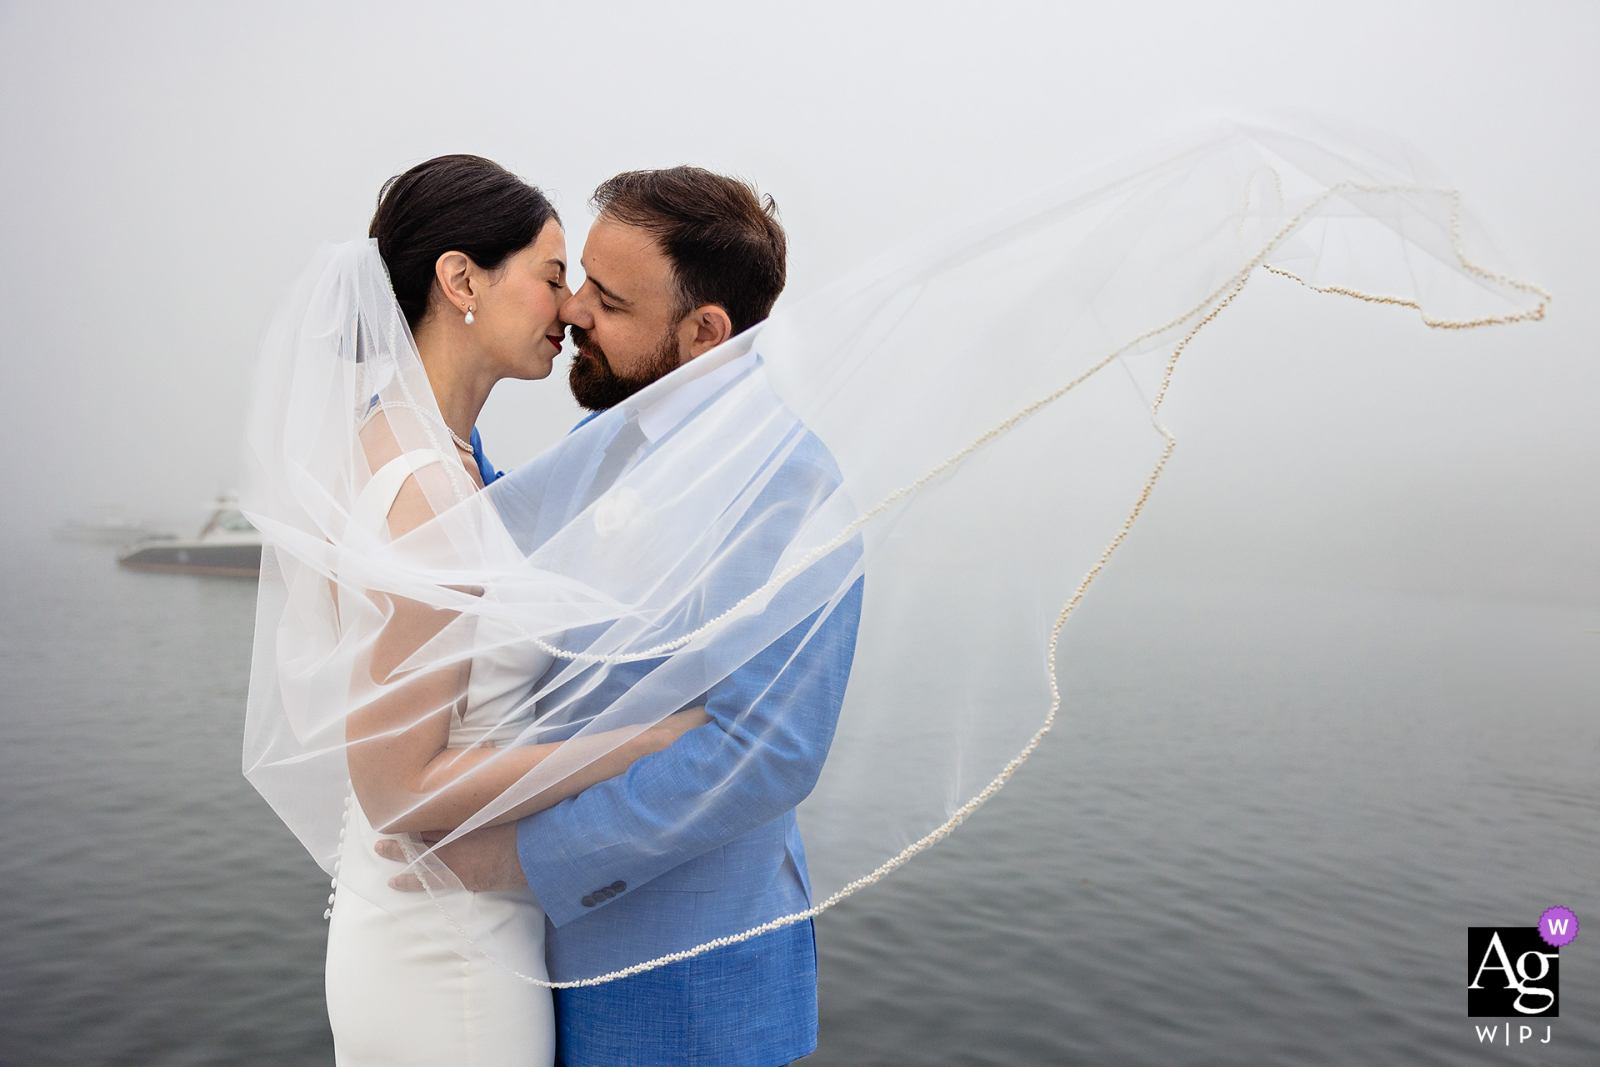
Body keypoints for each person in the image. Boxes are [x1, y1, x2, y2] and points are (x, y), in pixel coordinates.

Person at [381, 167, 864, 1067]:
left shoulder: (791, 487)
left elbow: (766, 751)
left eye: (607, 299)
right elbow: (478, 544)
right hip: (523, 978)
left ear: (703, 332)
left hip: (686, 992)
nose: (572, 315)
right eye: (577, 285)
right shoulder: (597, 445)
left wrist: (520, 859)